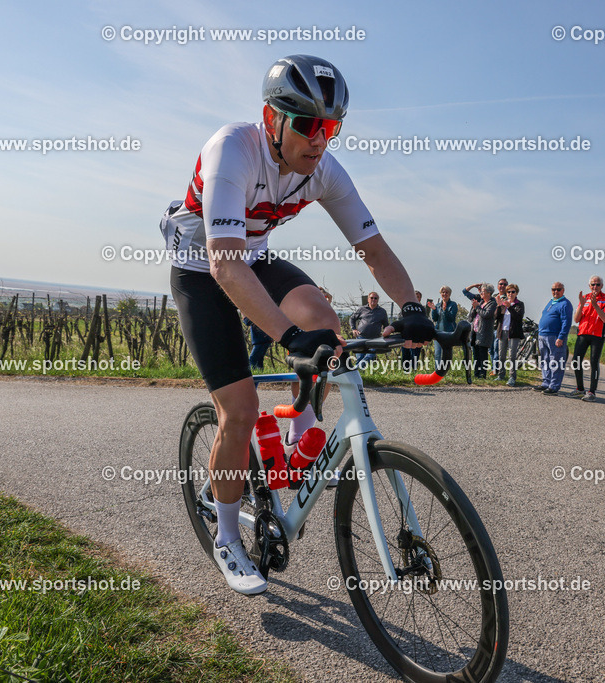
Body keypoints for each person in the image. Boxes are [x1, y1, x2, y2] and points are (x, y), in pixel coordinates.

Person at [159, 55, 434, 595]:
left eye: (330, 127)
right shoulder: (232, 149)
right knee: (240, 410)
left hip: (253, 257)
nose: (319, 140)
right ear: (272, 118)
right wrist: (288, 336)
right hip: (203, 267)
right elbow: (224, 265)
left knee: (326, 325)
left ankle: (300, 435)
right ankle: (228, 539)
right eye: (308, 125)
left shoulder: (324, 170)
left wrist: (410, 308)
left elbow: (374, 249)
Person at [570, 275, 605, 401]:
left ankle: (592, 392)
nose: (595, 287)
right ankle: (580, 388)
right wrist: (581, 305)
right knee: (576, 360)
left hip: (597, 335)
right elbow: (576, 319)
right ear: (589, 286)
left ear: (602, 286)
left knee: (594, 362)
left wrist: (595, 305)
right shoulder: (584, 297)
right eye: (593, 284)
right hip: (583, 332)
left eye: (598, 284)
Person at [536, 282, 573, 394]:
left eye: (558, 289)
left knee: (555, 362)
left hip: (555, 336)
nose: (555, 291)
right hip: (543, 335)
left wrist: (561, 337)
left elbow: (566, 322)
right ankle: (546, 383)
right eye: (553, 289)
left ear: (563, 290)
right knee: (545, 361)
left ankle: (554, 386)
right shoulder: (551, 302)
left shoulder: (565, 304)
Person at [495, 284, 525, 386]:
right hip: (502, 331)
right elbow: (496, 317)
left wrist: (510, 307)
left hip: (513, 333)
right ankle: (501, 375)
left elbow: (518, 317)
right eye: (508, 292)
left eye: (513, 292)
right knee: (501, 355)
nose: (510, 294)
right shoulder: (503, 303)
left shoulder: (519, 304)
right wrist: (499, 306)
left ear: (516, 293)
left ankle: (512, 377)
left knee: (512, 356)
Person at [350, 292, 389, 369]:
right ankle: (360, 374)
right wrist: (354, 329)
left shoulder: (382, 311)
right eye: (371, 298)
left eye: (375, 298)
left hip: (375, 339)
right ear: (368, 299)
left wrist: (386, 333)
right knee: (360, 357)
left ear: (378, 300)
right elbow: (352, 318)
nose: (373, 299)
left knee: (370, 355)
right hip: (361, 337)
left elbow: (386, 325)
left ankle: (357, 367)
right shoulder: (362, 309)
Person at [467, 284, 496, 378]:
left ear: (489, 293)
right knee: (475, 354)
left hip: (484, 332)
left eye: (483, 291)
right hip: (475, 331)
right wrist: (474, 307)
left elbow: (486, 314)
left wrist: (477, 307)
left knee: (483, 354)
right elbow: (470, 318)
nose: (481, 293)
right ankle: (476, 374)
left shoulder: (492, 303)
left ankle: (483, 374)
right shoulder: (481, 302)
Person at [428, 286, 458, 365]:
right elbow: (435, 319)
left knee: (446, 354)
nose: (444, 294)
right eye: (443, 292)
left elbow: (451, 318)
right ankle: (437, 370)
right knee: (437, 354)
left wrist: (445, 311)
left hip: (448, 333)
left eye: (446, 292)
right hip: (438, 333)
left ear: (449, 294)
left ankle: (445, 370)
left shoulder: (453, 305)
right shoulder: (438, 305)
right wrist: (434, 310)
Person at [400, 290, 427, 372]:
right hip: (406, 334)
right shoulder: (405, 307)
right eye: (414, 296)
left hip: (417, 336)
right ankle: (406, 371)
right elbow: (401, 319)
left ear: (420, 299)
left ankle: (413, 371)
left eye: (418, 297)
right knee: (405, 354)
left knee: (415, 354)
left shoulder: (422, 309)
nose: (416, 298)